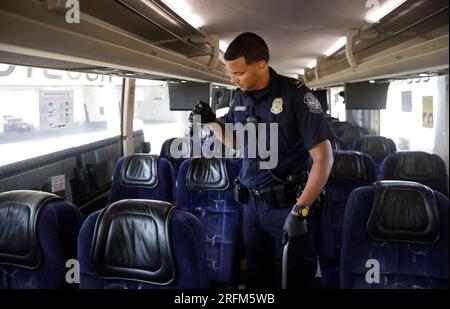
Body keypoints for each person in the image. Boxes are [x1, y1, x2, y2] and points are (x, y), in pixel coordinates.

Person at [190, 32, 334, 288]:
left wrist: (300, 210)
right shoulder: (240, 97)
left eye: (239, 73)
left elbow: (323, 158)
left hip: (287, 206)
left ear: (261, 65)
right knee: (257, 278)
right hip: (251, 208)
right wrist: (211, 121)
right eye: (231, 73)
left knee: (291, 277)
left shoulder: (296, 95)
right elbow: (235, 142)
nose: (233, 79)